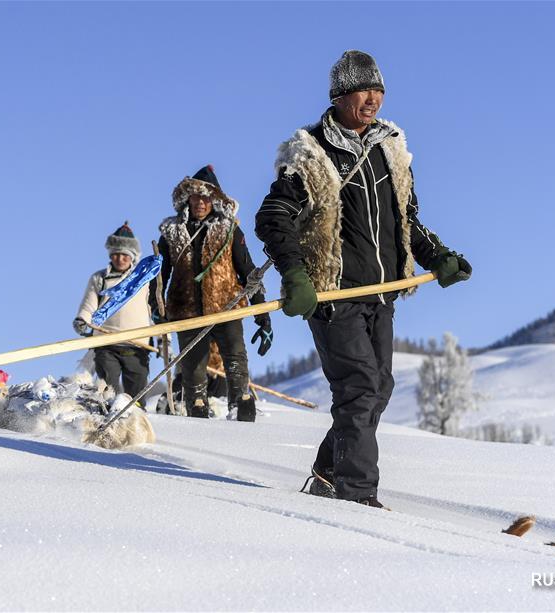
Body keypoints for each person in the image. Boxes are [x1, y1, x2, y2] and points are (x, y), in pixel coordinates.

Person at [255, 50, 472, 507]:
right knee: (358, 388)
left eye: (379, 91)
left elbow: (406, 219)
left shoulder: (389, 147)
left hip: (381, 293)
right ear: (339, 96)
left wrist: (439, 256)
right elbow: (274, 216)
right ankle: (356, 497)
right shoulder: (311, 152)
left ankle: (329, 473)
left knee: (379, 389)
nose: (373, 99)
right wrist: (296, 274)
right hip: (333, 293)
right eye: (363, 90)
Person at [151, 165, 272, 421]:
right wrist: (156, 306)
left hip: (226, 307)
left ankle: (242, 406)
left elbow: (249, 271)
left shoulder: (229, 230)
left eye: (206, 197)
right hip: (187, 311)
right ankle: (197, 414)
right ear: (187, 198)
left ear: (215, 200)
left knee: (235, 359)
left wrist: (263, 316)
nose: (201, 203)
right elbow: (159, 275)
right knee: (193, 370)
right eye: (196, 197)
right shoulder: (171, 233)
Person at [73, 222, 152, 397]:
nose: (120, 259)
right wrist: (82, 320)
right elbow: (89, 304)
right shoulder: (100, 278)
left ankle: (136, 418)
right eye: (116, 254)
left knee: (136, 394)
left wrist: (164, 340)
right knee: (108, 389)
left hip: (137, 344)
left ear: (133, 256)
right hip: (106, 343)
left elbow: (154, 311)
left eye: (125, 255)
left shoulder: (144, 280)